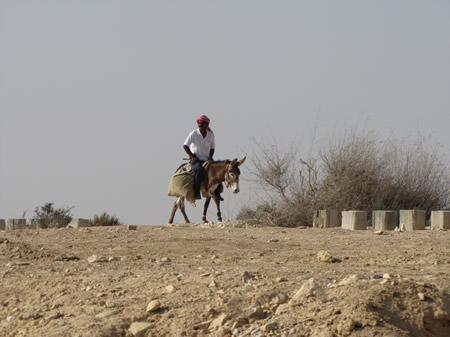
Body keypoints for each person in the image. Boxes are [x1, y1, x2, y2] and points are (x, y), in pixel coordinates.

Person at [183, 115, 223, 201]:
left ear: (206, 125)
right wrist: (192, 156)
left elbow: (212, 147)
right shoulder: (193, 134)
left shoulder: (210, 135)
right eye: (199, 123)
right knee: (198, 170)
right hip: (196, 160)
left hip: (206, 159)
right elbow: (185, 145)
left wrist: (210, 157)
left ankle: (217, 192)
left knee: (218, 170)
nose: (200, 125)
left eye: (202, 123)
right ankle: (196, 191)